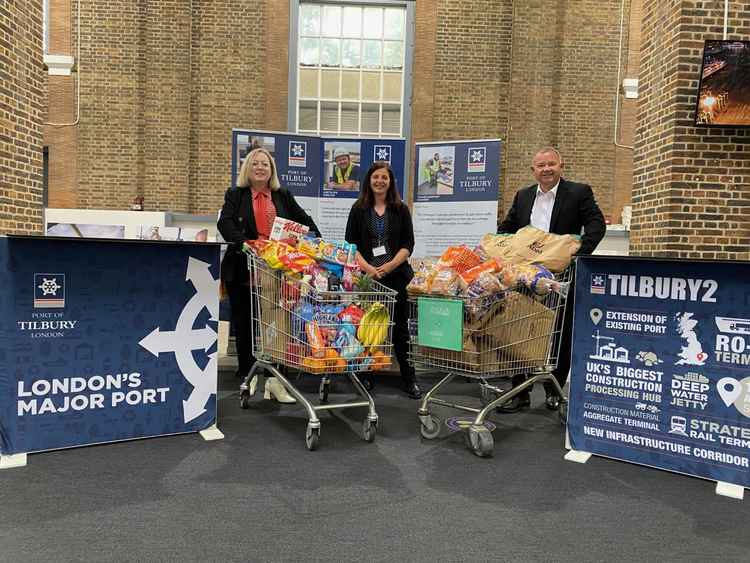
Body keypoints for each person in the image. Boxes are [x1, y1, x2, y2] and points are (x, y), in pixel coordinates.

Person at [497, 147, 605, 412]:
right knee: (518, 330)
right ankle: (519, 391)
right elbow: (506, 229)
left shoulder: (579, 192)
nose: (546, 169)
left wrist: (575, 255)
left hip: (561, 277)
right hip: (526, 278)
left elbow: (596, 226)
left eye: (551, 164)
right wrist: (503, 251)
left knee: (559, 333)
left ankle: (553, 389)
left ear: (561, 166)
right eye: (540, 165)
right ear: (533, 170)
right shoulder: (523, 196)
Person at [218, 147, 320, 403]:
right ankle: (248, 376)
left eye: (265, 164)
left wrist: (315, 243)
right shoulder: (235, 194)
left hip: (276, 271)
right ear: (247, 169)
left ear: (271, 169)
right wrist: (245, 243)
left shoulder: (282, 195)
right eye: (255, 164)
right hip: (244, 268)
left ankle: (277, 382)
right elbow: (225, 223)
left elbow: (304, 221)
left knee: (278, 326)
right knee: (244, 324)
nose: (260, 168)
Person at [344, 161, 421, 399]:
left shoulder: (400, 209)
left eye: (384, 178)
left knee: (400, 330)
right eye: (376, 177)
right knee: (368, 330)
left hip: (396, 276)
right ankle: (367, 374)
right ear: (369, 180)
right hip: (368, 280)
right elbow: (351, 245)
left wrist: (388, 267)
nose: (379, 181)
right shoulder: (358, 209)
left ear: (390, 182)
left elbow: (408, 244)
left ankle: (409, 378)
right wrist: (369, 269)